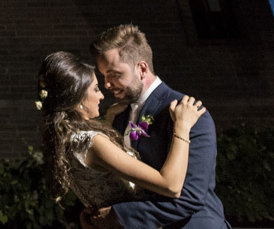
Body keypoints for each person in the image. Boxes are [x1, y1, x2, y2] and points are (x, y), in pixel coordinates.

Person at [87, 24, 229, 229]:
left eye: (114, 74)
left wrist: (119, 216)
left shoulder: (188, 113)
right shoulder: (118, 116)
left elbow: (189, 197)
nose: (107, 84)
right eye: (104, 76)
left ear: (142, 69)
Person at [38, 51, 206, 210]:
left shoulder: (67, 138)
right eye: (95, 89)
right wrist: (182, 127)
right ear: (78, 98)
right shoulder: (92, 142)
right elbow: (170, 186)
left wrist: (110, 118)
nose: (102, 96)